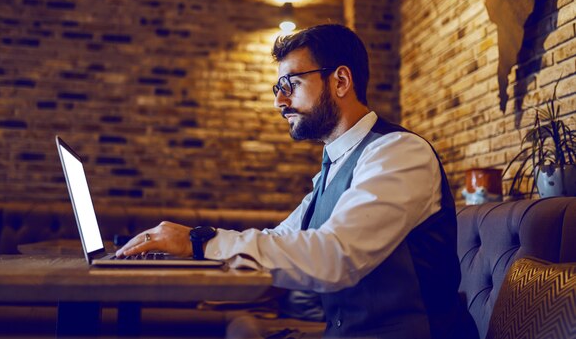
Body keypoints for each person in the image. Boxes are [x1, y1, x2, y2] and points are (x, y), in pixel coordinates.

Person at [116, 24, 478, 339]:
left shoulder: (399, 153)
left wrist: (201, 243)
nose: (279, 100)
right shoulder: (333, 168)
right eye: (278, 85)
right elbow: (282, 239)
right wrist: (186, 244)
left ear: (340, 81)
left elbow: (336, 256)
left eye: (291, 83)